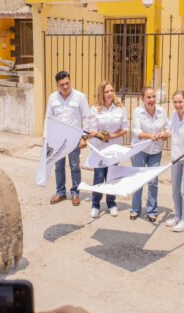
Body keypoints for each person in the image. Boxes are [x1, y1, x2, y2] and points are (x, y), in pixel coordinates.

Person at [45, 71, 91, 206]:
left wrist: (84, 137)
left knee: (75, 166)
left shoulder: (80, 97)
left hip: (74, 138)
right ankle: (60, 192)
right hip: (57, 138)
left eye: (67, 83)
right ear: (57, 85)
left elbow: (86, 118)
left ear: (70, 82)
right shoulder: (52, 98)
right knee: (58, 166)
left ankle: (75, 193)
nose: (65, 86)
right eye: (62, 85)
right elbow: (48, 118)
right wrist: (46, 138)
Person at [87, 81, 128, 218]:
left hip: (114, 149)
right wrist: (97, 134)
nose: (110, 93)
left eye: (111, 90)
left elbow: (125, 129)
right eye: (106, 91)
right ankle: (95, 205)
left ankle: (111, 203)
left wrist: (111, 136)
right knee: (99, 177)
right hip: (99, 149)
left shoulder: (120, 108)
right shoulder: (95, 109)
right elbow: (92, 129)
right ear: (101, 93)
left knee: (112, 176)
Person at [130, 86, 169, 222]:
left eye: (153, 97)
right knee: (138, 180)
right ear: (142, 99)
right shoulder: (137, 112)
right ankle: (135, 209)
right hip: (139, 150)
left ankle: (151, 210)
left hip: (156, 150)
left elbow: (168, 127)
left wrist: (164, 134)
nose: (152, 100)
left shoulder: (161, 111)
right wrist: (149, 136)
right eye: (148, 97)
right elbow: (137, 130)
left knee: (153, 182)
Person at [165, 90, 184, 233]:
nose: (178, 105)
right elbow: (172, 130)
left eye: (180, 102)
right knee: (175, 189)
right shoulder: (174, 115)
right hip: (175, 158)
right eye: (175, 102)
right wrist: (165, 134)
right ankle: (177, 215)